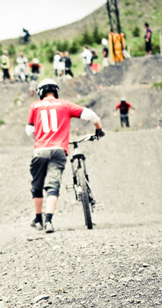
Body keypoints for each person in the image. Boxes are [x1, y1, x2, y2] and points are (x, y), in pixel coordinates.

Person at [25, 79, 104, 233]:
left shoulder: (35, 106)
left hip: (40, 150)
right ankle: (49, 221)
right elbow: (91, 115)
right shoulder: (65, 104)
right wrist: (99, 129)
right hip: (59, 151)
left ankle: (38, 219)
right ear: (56, 91)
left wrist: (38, 142)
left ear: (40, 92)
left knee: (37, 185)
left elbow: (29, 131)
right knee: (53, 186)